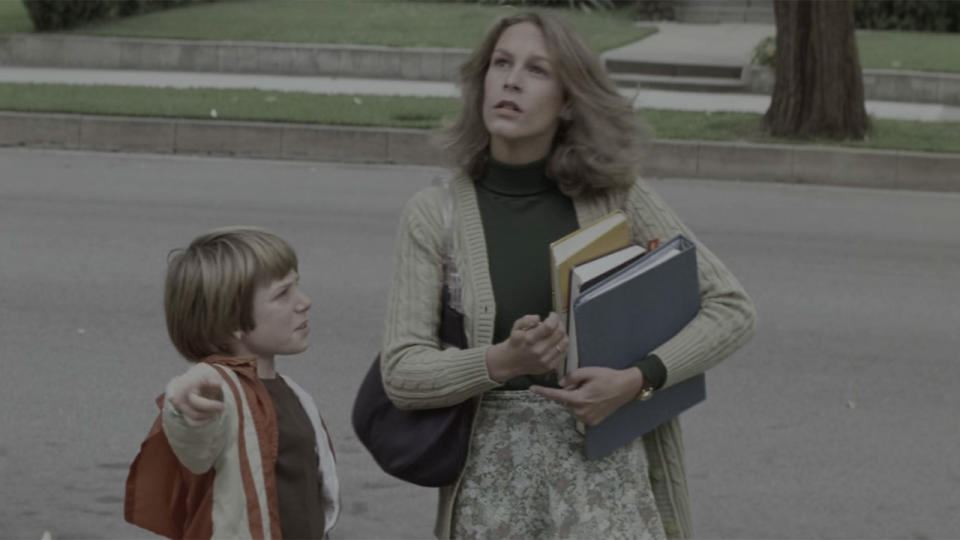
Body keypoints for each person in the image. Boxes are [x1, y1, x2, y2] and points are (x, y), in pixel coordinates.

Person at [379, 10, 756, 540]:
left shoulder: (614, 197)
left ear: (569, 100)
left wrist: (637, 380)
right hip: (494, 492)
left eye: (537, 70)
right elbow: (402, 372)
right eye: (501, 63)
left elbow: (731, 307)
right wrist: (501, 361)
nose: (511, 80)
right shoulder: (433, 214)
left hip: (606, 485)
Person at [125, 226, 339, 539]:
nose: (303, 301)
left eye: (297, 285)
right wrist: (189, 404)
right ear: (231, 322)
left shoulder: (293, 393)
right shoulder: (222, 391)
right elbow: (196, 443)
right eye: (283, 293)